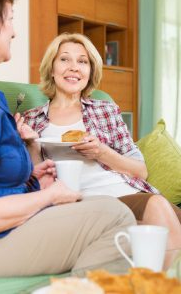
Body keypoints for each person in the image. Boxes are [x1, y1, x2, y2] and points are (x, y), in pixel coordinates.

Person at [0, 0, 136, 278]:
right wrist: (48, 196)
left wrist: (34, 179)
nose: (14, 31)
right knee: (116, 217)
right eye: (10, 19)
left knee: (110, 207)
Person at [23, 33, 181, 250]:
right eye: (64, 59)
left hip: (128, 192)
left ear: (90, 71)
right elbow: (33, 180)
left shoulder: (105, 110)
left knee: (163, 216)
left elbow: (141, 171)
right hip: (88, 204)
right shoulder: (31, 119)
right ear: (51, 68)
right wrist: (31, 145)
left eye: (82, 61)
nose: (74, 67)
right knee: (155, 207)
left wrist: (101, 152)